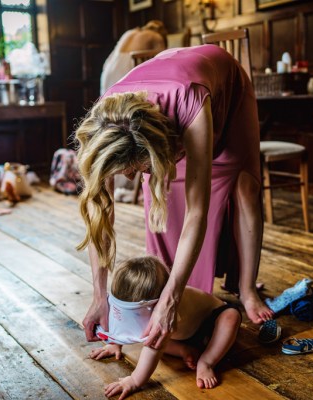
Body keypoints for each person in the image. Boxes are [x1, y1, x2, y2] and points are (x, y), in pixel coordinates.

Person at [75, 44, 274, 352]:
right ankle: (174, 285)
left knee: (245, 187)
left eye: (134, 169)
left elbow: (198, 212)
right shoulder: (102, 128)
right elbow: (100, 214)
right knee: (165, 190)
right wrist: (100, 297)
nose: (129, 178)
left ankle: (247, 289)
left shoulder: (190, 100)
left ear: (157, 150)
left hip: (219, 86)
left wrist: (171, 301)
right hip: (162, 90)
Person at [90, 256, 241, 397]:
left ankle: (207, 361)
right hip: (180, 335)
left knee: (231, 316)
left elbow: (154, 348)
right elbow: (120, 320)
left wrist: (135, 380)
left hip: (210, 322)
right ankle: (184, 350)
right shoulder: (131, 303)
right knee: (146, 336)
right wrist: (115, 342)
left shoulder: (169, 308)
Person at [99, 20, 167, 95]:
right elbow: (164, 58)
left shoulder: (130, 32)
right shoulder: (156, 36)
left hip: (109, 72)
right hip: (127, 72)